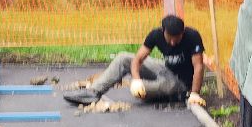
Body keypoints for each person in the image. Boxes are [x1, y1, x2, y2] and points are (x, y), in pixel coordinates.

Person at [62, 15, 206, 107]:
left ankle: (177, 95)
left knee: (143, 91)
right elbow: (137, 60)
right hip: (165, 69)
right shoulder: (155, 35)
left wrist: (195, 93)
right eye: (170, 38)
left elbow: (198, 67)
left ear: (182, 33)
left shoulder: (192, 36)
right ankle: (93, 92)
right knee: (123, 58)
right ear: (163, 31)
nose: (173, 43)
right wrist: (137, 79)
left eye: (177, 38)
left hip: (180, 82)